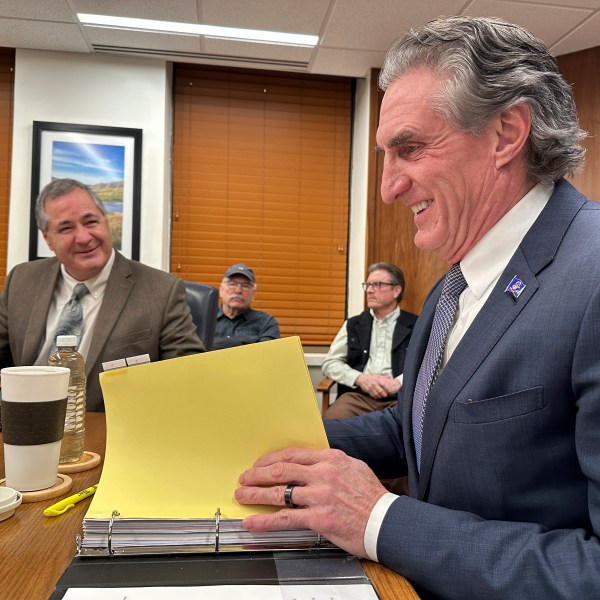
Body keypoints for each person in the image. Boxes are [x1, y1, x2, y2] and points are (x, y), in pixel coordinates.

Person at [234, 16, 600, 599]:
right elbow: (424, 431)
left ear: (507, 133)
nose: (387, 188)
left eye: (409, 149)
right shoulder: (455, 284)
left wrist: (379, 520)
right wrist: (279, 446)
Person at [0, 178, 204, 411]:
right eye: (66, 228)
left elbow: (191, 375)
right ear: (47, 239)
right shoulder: (22, 280)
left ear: (106, 222)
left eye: (91, 221)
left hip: (110, 430)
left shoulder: (162, 290)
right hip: (25, 422)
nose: (85, 237)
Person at [322, 262, 417, 419]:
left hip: (399, 399)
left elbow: (425, 365)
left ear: (396, 290)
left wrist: (398, 383)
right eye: (367, 285)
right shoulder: (354, 324)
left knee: (411, 427)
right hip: (358, 398)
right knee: (332, 424)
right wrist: (361, 379)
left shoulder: (416, 325)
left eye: (377, 285)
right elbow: (330, 363)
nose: (369, 290)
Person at [213, 263, 280, 350]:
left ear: (253, 294)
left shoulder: (266, 322)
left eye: (245, 286)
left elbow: (267, 357)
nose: (238, 290)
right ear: (221, 290)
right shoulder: (204, 319)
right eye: (232, 284)